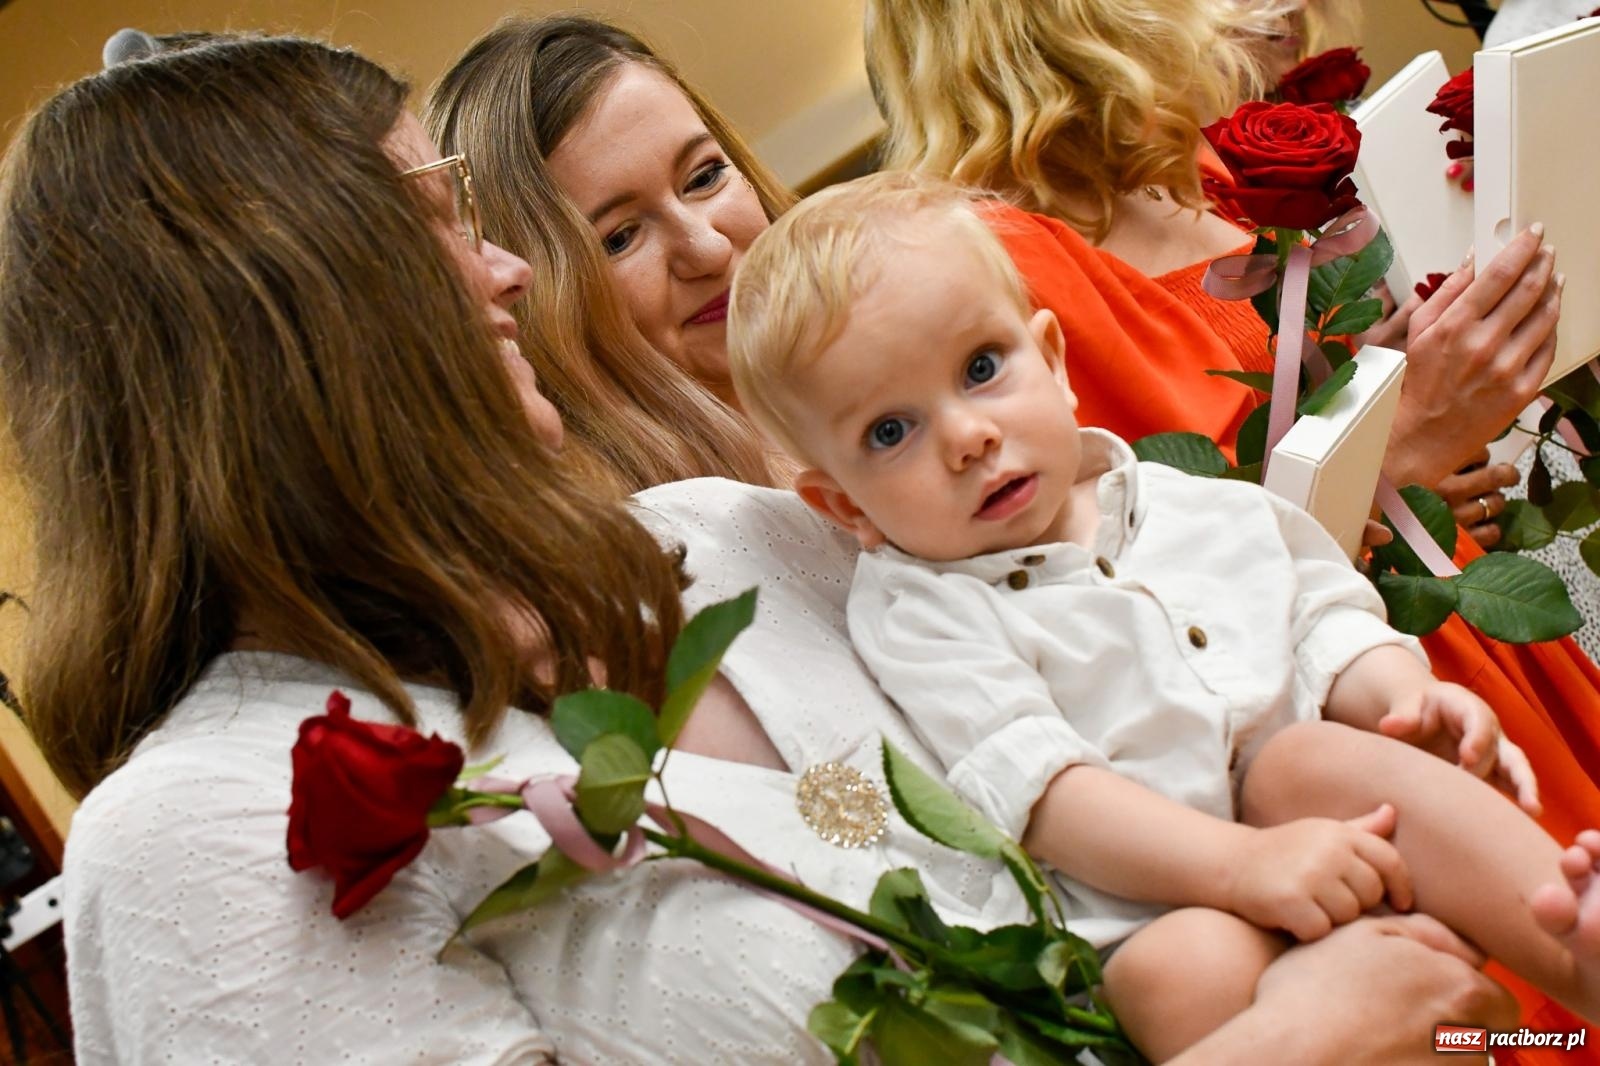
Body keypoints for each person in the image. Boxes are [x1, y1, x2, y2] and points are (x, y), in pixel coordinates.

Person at [0, 30, 1507, 1066]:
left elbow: (1109, 709)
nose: (508, 267)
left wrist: (1362, 710)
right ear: (286, 321)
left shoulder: (720, 537)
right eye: (437, 221)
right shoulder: (203, 828)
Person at [726, 170, 1600, 1060]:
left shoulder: (1178, 499)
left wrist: (1400, 695)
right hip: (1160, 895)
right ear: (844, 508)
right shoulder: (923, 615)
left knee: (1315, 757)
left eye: (981, 370)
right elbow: (1046, 792)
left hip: (1324, 809)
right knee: (1174, 970)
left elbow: (1316, 612)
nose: (967, 437)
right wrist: (1242, 869)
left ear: (1056, 365)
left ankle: (1577, 934)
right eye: (891, 431)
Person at [424, 15, 788, 495]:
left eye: (704, 177)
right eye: (619, 238)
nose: (708, 250)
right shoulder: (659, 539)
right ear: (536, 305)